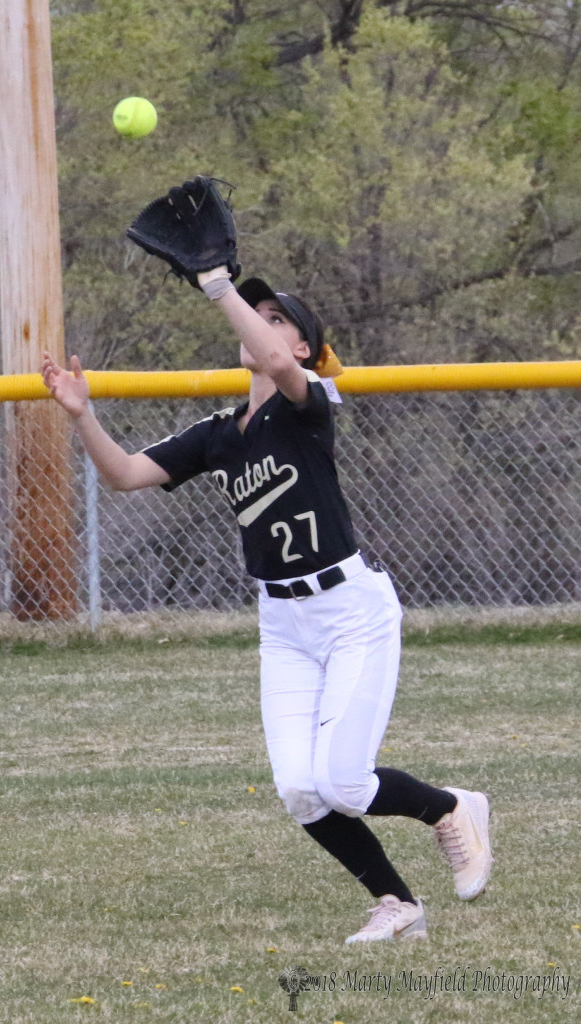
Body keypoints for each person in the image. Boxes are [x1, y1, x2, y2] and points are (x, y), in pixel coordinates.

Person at [42, 264, 493, 943]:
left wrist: (220, 284)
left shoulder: (303, 400)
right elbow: (124, 474)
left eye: (276, 317)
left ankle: (449, 808)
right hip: (282, 624)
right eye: (258, 316)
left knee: (342, 782)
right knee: (299, 791)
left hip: (349, 611)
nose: (262, 326)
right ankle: (398, 906)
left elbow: (278, 359)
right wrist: (83, 417)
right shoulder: (221, 432)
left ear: (303, 349)